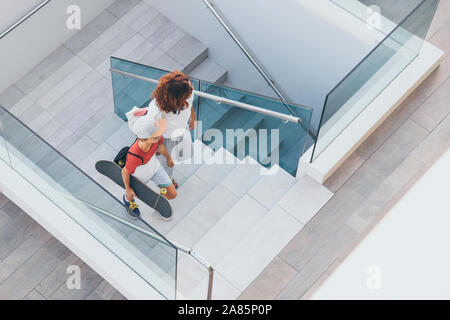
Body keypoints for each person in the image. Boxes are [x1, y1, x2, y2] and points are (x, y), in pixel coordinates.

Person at [121, 106, 177, 220]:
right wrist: (128, 188)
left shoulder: (155, 137)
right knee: (131, 194)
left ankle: (160, 193)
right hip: (139, 176)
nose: (158, 138)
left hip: (155, 168)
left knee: (172, 194)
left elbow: (160, 146)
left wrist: (168, 158)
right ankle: (127, 200)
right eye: (155, 137)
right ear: (142, 139)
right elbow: (125, 171)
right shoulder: (134, 155)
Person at [148, 71, 196, 188]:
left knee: (176, 157)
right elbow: (153, 134)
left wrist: (192, 117)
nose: (192, 89)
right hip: (165, 138)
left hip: (180, 130)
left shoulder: (187, 90)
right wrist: (166, 155)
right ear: (177, 97)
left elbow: (190, 103)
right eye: (189, 89)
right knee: (167, 164)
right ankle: (166, 181)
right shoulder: (156, 109)